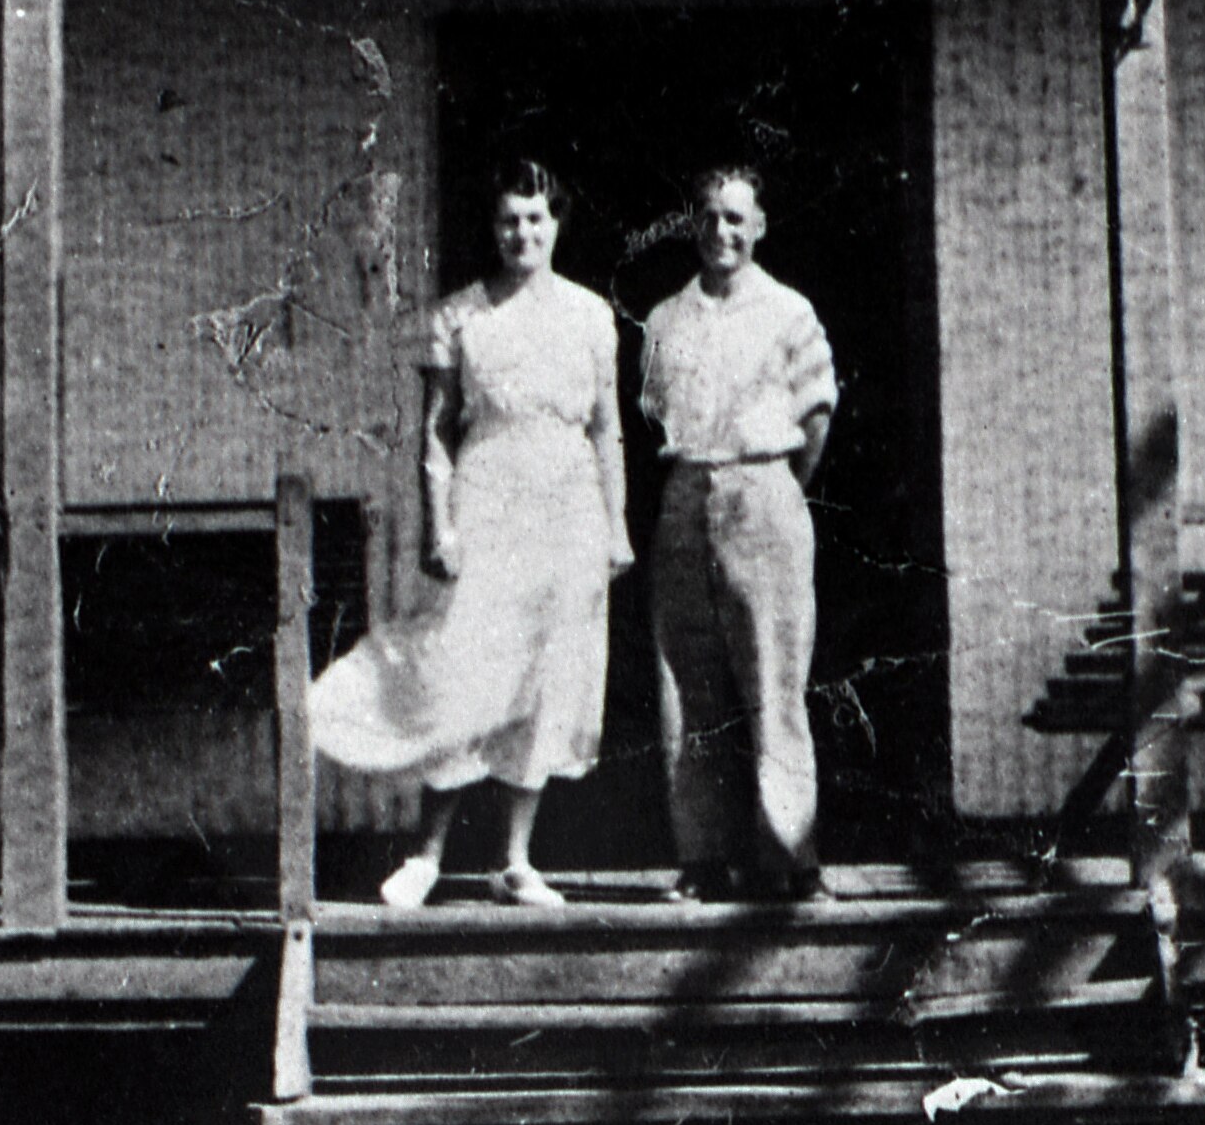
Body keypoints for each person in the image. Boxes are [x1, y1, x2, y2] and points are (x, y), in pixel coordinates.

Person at [307, 159, 627, 909]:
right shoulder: (459, 316)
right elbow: (436, 434)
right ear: (493, 228)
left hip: (568, 505)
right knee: (464, 670)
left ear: (557, 226)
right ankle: (427, 855)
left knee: (549, 676)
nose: (523, 233)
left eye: (537, 219)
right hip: (489, 499)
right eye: (510, 219)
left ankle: (516, 859)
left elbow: (608, 429)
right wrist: (439, 526)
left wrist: (615, 528)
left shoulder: (589, 316)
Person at [635, 165, 839, 902]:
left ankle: (790, 858)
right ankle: (701, 859)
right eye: (708, 215)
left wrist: (772, 489)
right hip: (687, 493)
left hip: (765, 490)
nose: (721, 231)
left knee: (774, 682)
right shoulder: (663, 320)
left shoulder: (790, 312)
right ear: (690, 223)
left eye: (735, 218)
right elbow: (656, 415)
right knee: (688, 686)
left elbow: (815, 422)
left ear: (759, 226)